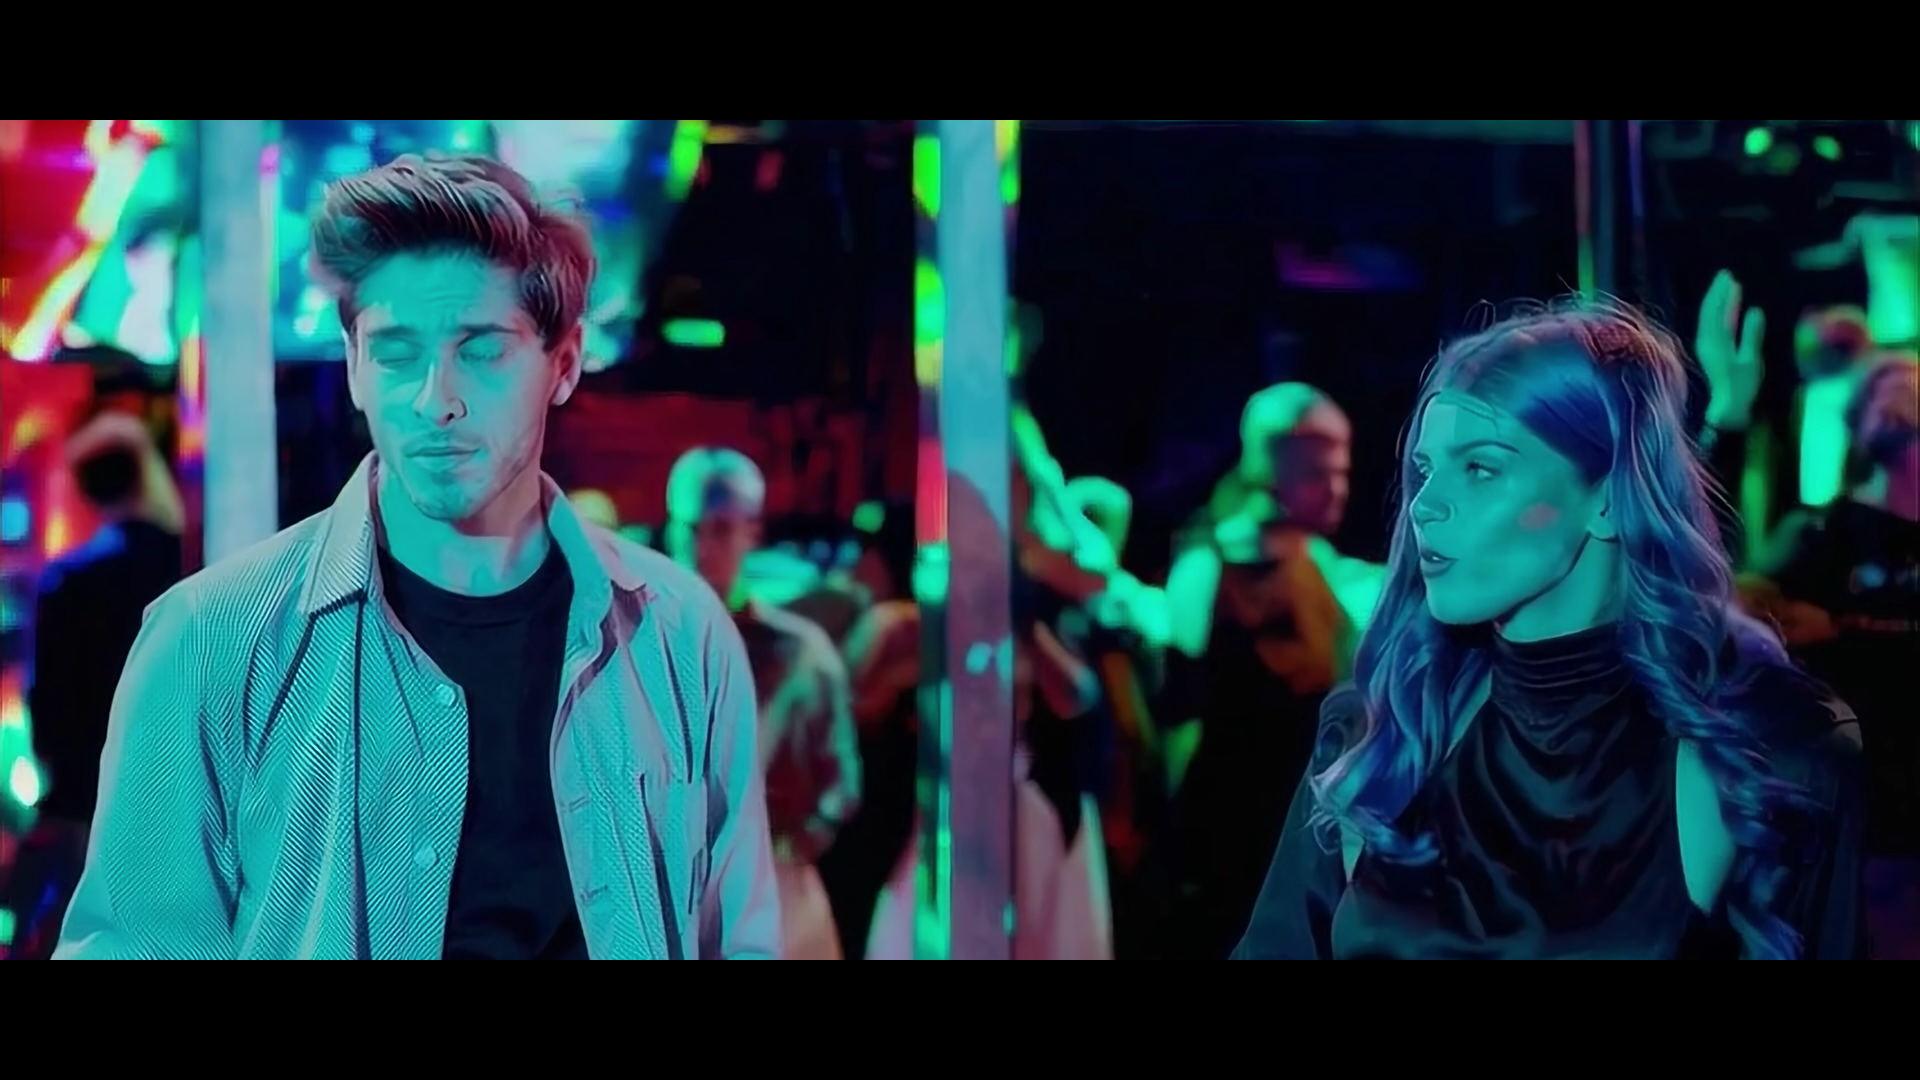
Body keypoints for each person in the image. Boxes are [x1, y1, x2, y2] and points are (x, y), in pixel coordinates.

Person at [53, 154, 780, 960]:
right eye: (397, 353)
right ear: (355, 367)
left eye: (482, 350)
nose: (437, 400)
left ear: (564, 363)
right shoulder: (208, 639)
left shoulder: (678, 636)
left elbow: (737, 937)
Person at [1234, 301, 1867, 960]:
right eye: (1423, 471)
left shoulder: (1774, 755)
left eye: (1480, 467)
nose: (1424, 505)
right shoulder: (1381, 736)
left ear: (1607, 497)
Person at [1744, 352, 1920, 958]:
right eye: (1883, 388)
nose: (1899, 395)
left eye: (1909, 383)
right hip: (1861, 816)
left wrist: (1846, 626)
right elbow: (1740, 618)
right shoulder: (1822, 532)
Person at [663, 447, 860, 960]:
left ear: (752, 532)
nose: (703, 548)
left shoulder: (801, 655)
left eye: (721, 530)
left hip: (776, 897)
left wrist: (788, 850)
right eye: (691, 529)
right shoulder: (640, 646)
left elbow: (841, 782)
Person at [3, 414, 182, 960]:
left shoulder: (69, 580)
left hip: (86, 797)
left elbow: (47, 705)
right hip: (172, 792)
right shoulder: (190, 565)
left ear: (82, 488)